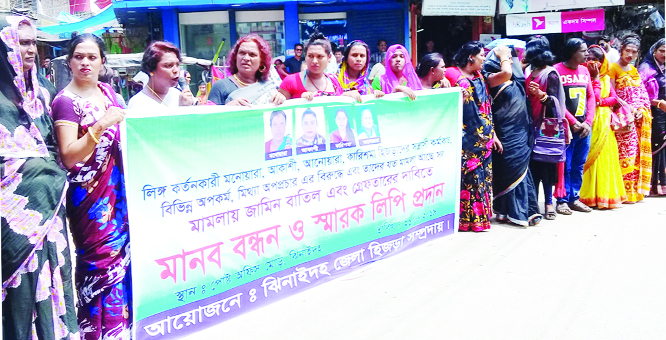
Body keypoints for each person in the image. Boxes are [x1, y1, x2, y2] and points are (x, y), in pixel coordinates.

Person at [1, 17, 79, 340]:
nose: (30, 49)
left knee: (57, 276)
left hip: (51, 211)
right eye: (22, 42)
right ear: (6, 46)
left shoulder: (45, 93)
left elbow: (56, 148)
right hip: (13, 215)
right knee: (20, 293)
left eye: (33, 42)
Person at [51, 33, 130, 340]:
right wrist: (101, 125)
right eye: (79, 57)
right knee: (100, 266)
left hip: (120, 194)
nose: (85, 63)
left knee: (122, 262)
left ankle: (121, 329)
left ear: (102, 61)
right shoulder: (66, 102)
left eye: (92, 57)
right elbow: (70, 156)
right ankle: (98, 333)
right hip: (90, 201)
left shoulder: (109, 91)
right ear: (69, 62)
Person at [483, 44, 542, 226]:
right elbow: (506, 72)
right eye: (510, 58)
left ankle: (524, 210)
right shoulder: (490, 75)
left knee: (522, 168)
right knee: (509, 167)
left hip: (521, 130)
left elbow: (513, 71)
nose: (512, 60)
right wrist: (503, 55)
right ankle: (509, 210)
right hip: (504, 130)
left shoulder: (517, 77)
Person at [445, 41, 498, 232]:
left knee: (484, 180)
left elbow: (486, 107)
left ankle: (481, 219)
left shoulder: (479, 77)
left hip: (485, 138)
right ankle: (466, 221)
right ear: (470, 57)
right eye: (481, 55)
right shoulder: (452, 75)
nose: (484, 59)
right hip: (467, 140)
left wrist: (493, 134)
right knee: (470, 181)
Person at [578, 45, 627, 209]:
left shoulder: (606, 78)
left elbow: (614, 99)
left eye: (597, 60)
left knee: (606, 157)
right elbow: (596, 97)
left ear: (603, 61)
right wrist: (595, 78)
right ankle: (587, 195)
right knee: (589, 156)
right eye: (589, 59)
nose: (593, 62)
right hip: (591, 120)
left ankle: (604, 195)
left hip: (605, 123)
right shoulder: (583, 77)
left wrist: (601, 102)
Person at [524, 36, 566, 220]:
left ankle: (549, 203)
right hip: (529, 124)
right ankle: (533, 203)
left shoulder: (551, 74)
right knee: (533, 167)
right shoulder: (529, 71)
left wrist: (541, 95)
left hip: (545, 125)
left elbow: (554, 101)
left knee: (547, 165)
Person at [553, 38, 596, 214]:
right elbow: (557, 101)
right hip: (565, 129)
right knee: (565, 165)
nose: (587, 54)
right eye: (583, 51)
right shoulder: (556, 71)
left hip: (584, 128)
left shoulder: (585, 70)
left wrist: (588, 122)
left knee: (579, 164)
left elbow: (591, 97)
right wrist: (573, 122)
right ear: (572, 52)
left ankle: (574, 198)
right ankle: (562, 200)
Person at [608, 35, 653, 203]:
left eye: (634, 52)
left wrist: (641, 109)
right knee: (622, 154)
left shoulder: (634, 70)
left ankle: (632, 192)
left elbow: (641, 94)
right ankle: (621, 191)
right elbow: (612, 94)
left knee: (634, 154)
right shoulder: (613, 68)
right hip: (622, 118)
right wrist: (630, 109)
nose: (630, 55)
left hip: (637, 118)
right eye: (628, 51)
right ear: (621, 50)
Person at [207, 35, 284, 106]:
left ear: (262, 62)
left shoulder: (268, 87)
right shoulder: (220, 87)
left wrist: (280, 100)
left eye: (252, 54)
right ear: (235, 57)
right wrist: (228, 108)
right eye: (242, 53)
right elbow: (208, 119)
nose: (246, 58)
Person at [127, 41, 196, 108]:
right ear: (151, 69)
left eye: (177, 64)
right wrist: (182, 109)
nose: (176, 70)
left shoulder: (178, 95)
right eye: (169, 66)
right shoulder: (137, 103)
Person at [279, 32, 344, 101]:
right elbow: (278, 108)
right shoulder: (290, 82)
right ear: (305, 57)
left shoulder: (333, 80)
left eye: (320, 56)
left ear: (329, 57)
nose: (314, 61)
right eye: (310, 56)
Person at [638, 38, 665, 196]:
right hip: (654, 113)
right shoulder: (646, 69)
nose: (664, 54)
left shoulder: (663, 68)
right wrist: (658, 103)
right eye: (662, 50)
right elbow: (638, 93)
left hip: (664, 113)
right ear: (654, 50)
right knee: (657, 145)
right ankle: (654, 184)